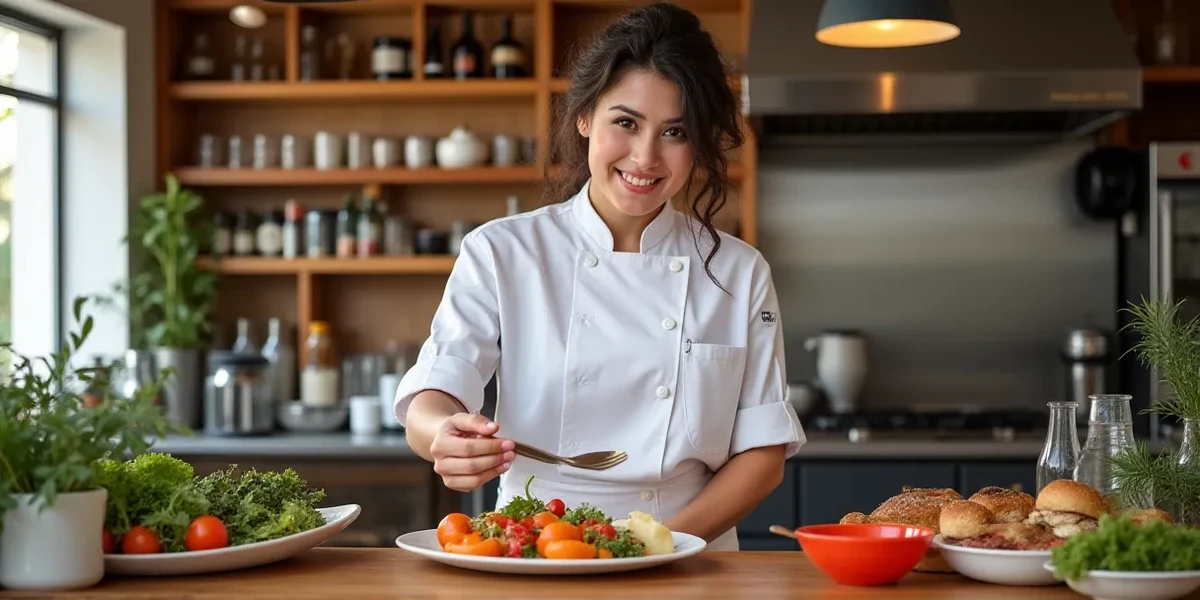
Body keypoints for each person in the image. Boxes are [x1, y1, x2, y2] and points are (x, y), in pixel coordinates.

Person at [394, 2, 805, 551]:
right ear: (585, 117)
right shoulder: (503, 250)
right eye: (626, 123)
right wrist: (441, 434)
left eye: (675, 132)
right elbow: (437, 389)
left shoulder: (738, 270)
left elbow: (763, 455)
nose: (645, 156)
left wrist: (651, 546)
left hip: (686, 551)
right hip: (537, 541)